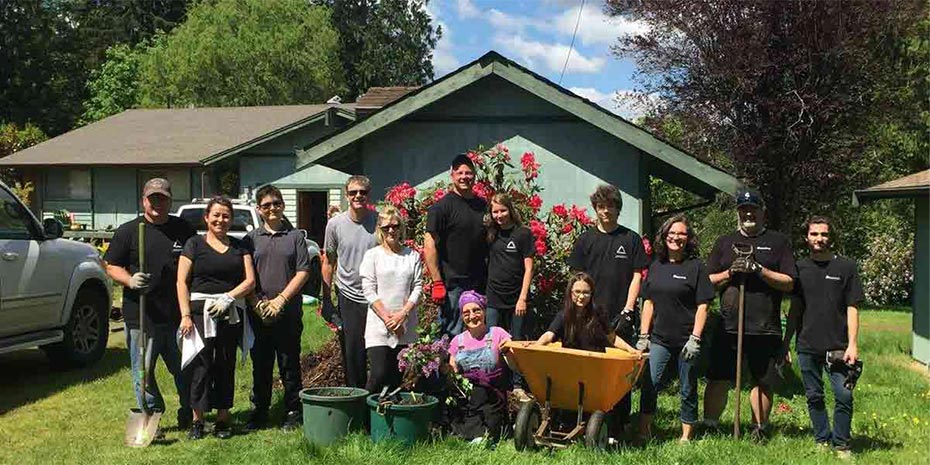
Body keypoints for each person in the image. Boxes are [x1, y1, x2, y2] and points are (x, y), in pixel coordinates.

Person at [703, 188, 796, 440]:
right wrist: (730, 273)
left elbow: (789, 282)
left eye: (753, 209)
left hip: (764, 325)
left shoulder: (778, 242)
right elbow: (707, 281)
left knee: (762, 380)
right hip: (729, 324)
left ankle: (759, 429)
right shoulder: (725, 242)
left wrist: (759, 270)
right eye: (743, 209)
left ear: (762, 212)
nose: (748, 214)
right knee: (718, 377)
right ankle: (709, 426)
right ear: (738, 213)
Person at [104, 178, 197, 430]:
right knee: (143, 371)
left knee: (185, 369)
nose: (158, 203)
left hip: (178, 315)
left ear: (170, 201)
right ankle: (152, 412)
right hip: (142, 316)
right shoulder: (129, 231)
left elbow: (197, 262)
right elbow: (111, 265)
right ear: (143, 201)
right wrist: (130, 280)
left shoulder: (183, 229)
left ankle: (189, 411)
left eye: (162, 198)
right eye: (152, 198)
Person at [568, 184, 648, 430]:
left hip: (620, 315)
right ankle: (586, 420)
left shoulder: (630, 239)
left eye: (611, 206)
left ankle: (619, 423)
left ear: (618, 209)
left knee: (619, 372)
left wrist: (628, 309)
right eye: (601, 206)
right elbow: (576, 278)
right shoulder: (585, 240)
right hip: (589, 316)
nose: (606, 211)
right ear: (595, 209)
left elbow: (637, 276)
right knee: (588, 369)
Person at [783, 216, 863, 459]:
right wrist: (786, 343)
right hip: (807, 345)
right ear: (807, 238)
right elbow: (795, 310)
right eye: (814, 234)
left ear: (831, 237)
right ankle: (822, 439)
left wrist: (852, 344)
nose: (819, 239)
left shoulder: (846, 267)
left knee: (844, 395)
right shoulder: (799, 269)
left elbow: (852, 307)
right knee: (814, 396)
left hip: (838, 347)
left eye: (824, 234)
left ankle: (841, 444)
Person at [177, 196, 255, 439]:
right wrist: (185, 315)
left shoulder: (240, 247)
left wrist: (229, 297)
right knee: (200, 366)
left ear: (231, 220)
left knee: (225, 363)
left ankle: (222, 419)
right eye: (216, 215)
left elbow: (250, 281)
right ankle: (198, 420)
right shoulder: (194, 244)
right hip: (199, 314)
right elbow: (181, 281)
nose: (221, 220)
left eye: (226, 216)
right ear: (207, 217)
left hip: (229, 313)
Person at [637, 215, 714, 442]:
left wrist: (695, 338)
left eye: (681, 233)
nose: (676, 237)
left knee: (687, 387)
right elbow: (648, 303)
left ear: (688, 238)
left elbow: (703, 306)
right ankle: (644, 431)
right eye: (671, 233)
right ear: (664, 236)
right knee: (650, 383)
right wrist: (643, 335)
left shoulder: (696, 267)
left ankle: (686, 436)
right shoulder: (656, 266)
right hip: (659, 339)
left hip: (687, 339)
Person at [241, 185, 311, 431]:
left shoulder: (295, 237)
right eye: (267, 205)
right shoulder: (251, 239)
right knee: (261, 364)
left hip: (288, 313)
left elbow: (303, 271)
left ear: (283, 205)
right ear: (259, 209)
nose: (272, 208)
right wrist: (256, 303)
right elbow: (245, 275)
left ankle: (293, 411)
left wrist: (281, 300)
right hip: (258, 313)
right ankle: (260, 410)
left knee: (289, 363)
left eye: (276, 203)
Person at [359, 206, 423, 395]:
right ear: (380, 229)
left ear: (401, 227)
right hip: (379, 326)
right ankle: (363, 411)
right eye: (386, 227)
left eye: (395, 226)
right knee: (378, 374)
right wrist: (389, 319)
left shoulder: (412, 256)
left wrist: (403, 315)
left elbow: (418, 287)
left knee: (397, 379)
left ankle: (388, 411)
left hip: (406, 326)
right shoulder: (372, 256)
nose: (391, 231)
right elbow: (368, 290)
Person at [425, 154, 489, 338]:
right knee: (451, 333)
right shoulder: (441, 208)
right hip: (453, 284)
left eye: (468, 173)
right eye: (459, 173)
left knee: (480, 332)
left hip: (480, 281)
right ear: (452, 175)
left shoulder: (482, 205)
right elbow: (429, 245)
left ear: (474, 175)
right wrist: (437, 282)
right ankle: (447, 358)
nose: (464, 177)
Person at [322, 176, 377, 388]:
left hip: (377, 297)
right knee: (353, 353)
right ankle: (355, 396)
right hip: (349, 296)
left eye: (362, 192)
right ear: (346, 196)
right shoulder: (335, 225)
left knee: (378, 351)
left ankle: (376, 397)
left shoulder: (380, 222)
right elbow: (328, 262)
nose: (358, 196)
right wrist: (326, 299)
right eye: (353, 192)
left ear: (369, 195)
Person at [484, 193, 534, 398]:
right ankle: (493, 383)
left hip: (516, 299)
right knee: (491, 340)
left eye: (503, 210)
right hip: (494, 297)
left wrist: (523, 298)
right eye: (495, 212)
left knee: (516, 341)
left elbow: (529, 268)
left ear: (510, 210)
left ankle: (517, 385)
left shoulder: (523, 234)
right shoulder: (491, 234)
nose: (499, 215)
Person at [448, 291, 512, 443]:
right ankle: (474, 432)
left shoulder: (497, 334)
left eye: (476, 310)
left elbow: (515, 366)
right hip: (467, 396)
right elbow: (453, 371)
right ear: (462, 316)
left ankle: (482, 434)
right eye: (466, 313)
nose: (472, 316)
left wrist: (508, 351)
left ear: (484, 311)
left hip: (492, 396)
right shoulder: (457, 341)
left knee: (484, 398)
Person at [535, 272, 640, 354]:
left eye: (586, 293)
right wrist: (535, 347)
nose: (581, 297)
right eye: (577, 292)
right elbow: (549, 335)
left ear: (591, 294)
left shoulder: (599, 314)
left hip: (595, 364)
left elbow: (613, 339)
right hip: (571, 364)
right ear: (570, 293)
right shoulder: (563, 316)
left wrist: (631, 350)